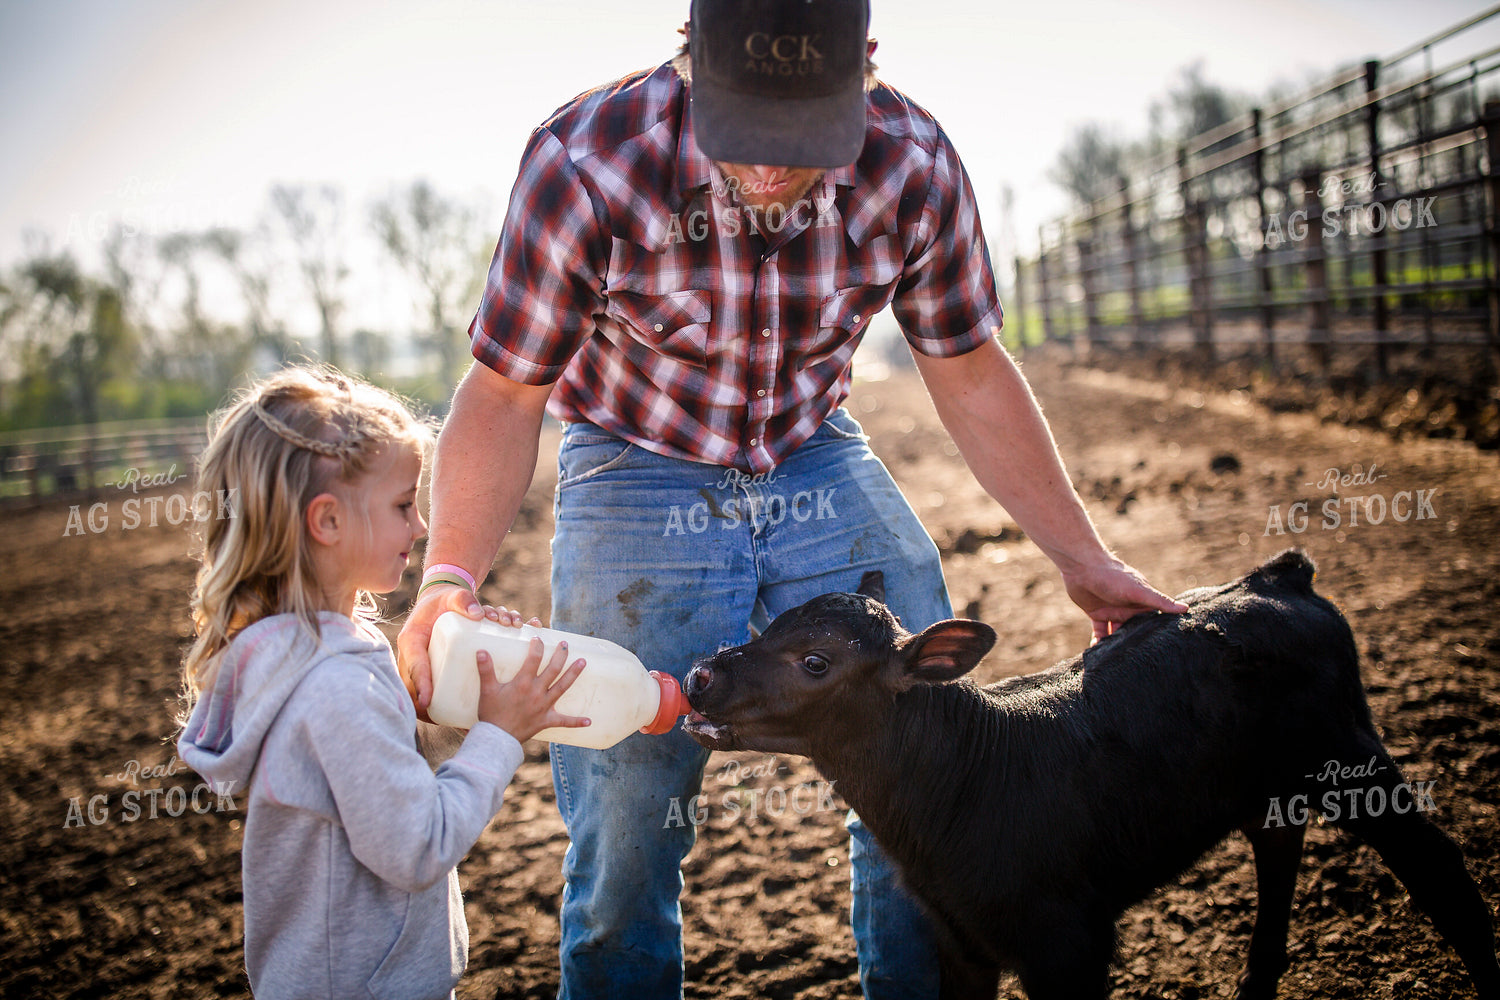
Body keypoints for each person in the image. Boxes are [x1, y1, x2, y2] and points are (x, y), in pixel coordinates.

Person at [397, 1, 1188, 996]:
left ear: (863, 69)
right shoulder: (587, 163)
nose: (770, 174)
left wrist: (1086, 559)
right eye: (745, 132)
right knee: (631, 807)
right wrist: (448, 579)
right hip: (638, 457)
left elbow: (973, 369)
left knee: (926, 736)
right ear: (688, 62)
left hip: (811, 444)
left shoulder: (911, 162)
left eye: (800, 135)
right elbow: (505, 392)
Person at [176, 365, 590, 1000]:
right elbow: (421, 846)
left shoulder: (288, 655)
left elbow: (362, 764)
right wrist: (499, 736)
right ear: (328, 521)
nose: (421, 529)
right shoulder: (336, 688)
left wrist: (461, 678)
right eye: (403, 506)